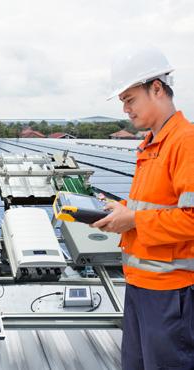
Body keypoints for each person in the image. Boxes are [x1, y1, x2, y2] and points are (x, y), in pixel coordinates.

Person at [91, 46, 194, 369]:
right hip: (140, 285)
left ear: (157, 88)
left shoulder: (185, 142)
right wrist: (118, 210)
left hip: (170, 293)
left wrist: (132, 219)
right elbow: (153, 206)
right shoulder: (151, 146)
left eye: (130, 99)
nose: (125, 109)